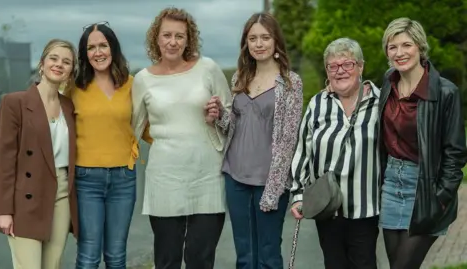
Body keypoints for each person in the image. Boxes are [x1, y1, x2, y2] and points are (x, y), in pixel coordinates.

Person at [131, 7, 231, 269]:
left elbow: (231, 116)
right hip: (164, 179)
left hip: (207, 177)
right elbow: (131, 128)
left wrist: (218, 114)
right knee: (167, 260)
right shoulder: (142, 80)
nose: (172, 42)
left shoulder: (208, 68)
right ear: (156, 38)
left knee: (200, 259)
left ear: (189, 40)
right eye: (166, 35)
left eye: (179, 36)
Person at [204, 12, 303, 269]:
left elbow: (288, 140)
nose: (259, 44)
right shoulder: (239, 78)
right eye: (253, 38)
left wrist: (273, 191)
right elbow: (234, 127)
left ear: (275, 42)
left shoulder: (291, 83)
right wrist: (219, 116)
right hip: (235, 177)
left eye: (265, 38)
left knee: (268, 254)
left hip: (269, 180)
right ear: (246, 43)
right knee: (245, 254)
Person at [378, 17, 467, 269]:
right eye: (392, 46)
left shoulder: (445, 92)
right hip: (391, 187)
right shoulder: (388, 83)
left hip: (425, 188)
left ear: (420, 46)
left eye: (406, 45)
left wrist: (440, 197)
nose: (399, 52)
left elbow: (456, 153)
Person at [290, 38, 381, 269]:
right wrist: (299, 194)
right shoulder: (318, 103)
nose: (340, 71)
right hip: (327, 208)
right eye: (333, 66)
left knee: (364, 263)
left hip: (366, 208)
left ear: (361, 67)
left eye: (348, 64)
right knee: (334, 264)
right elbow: (303, 149)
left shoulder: (380, 102)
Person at [0, 39, 78, 269]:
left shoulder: (69, 106)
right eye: (54, 58)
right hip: (25, 197)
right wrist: (3, 211)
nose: (59, 64)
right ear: (42, 64)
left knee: (53, 265)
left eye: (66, 61)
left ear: (71, 71)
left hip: (61, 195)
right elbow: (4, 161)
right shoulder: (14, 102)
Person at [66, 22, 146, 269]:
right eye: (91, 47)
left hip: (124, 177)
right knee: (89, 255)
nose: (98, 52)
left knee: (116, 255)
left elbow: (150, 126)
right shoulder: (73, 87)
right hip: (86, 178)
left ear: (113, 48)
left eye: (103, 45)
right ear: (84, 53)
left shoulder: (132, 85)